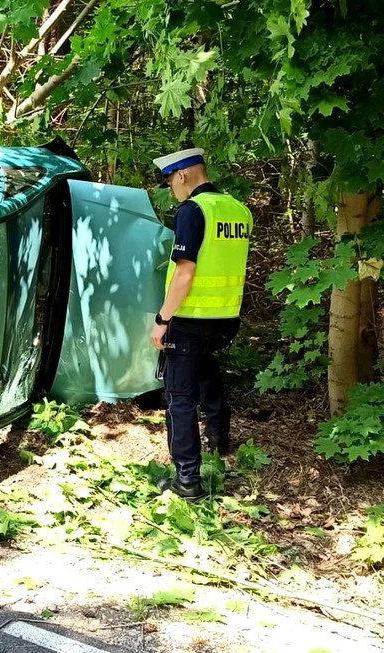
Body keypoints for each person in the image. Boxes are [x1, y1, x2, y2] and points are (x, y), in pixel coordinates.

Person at [149, 148, 252, 500]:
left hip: (190, 319)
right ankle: (220, 443)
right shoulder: (239, 210)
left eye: (170, 182)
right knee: (207, 372)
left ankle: (187, 481)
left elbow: (186, 271)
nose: (172, 190)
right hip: (225, 318)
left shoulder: (193, 211)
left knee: (179, 397)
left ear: (181, 176)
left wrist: (162, 319)